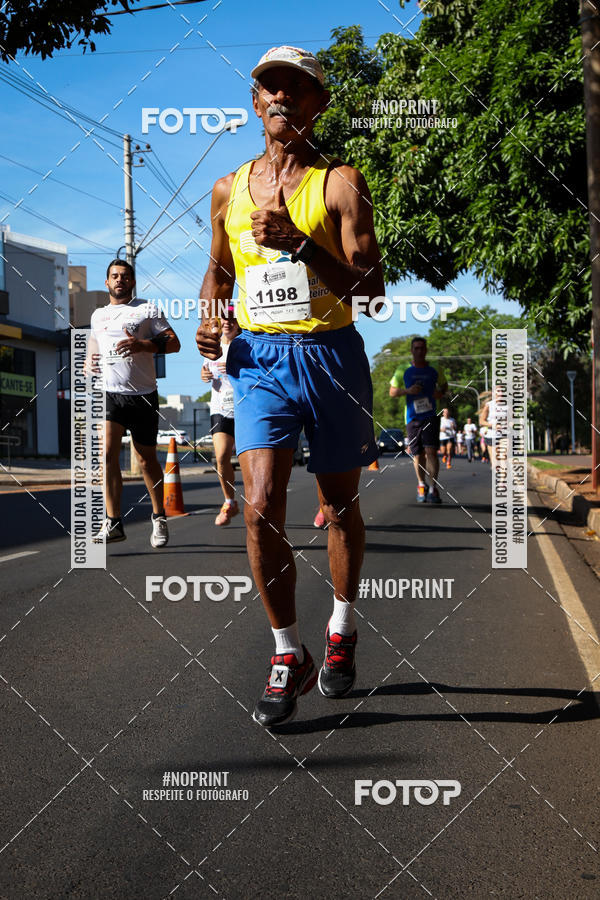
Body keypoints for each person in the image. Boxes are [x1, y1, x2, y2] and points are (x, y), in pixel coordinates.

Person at [195, 45, 384, 727]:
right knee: (260, 505)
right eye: (270, 87)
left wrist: (302, 243)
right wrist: (211, 322)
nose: (282, 97)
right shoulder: (226, 189)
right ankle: (286, 653)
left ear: (318, 103)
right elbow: (218, 273)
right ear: (254, 104)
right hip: (260, 361)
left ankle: (340, 629)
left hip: (330, 354)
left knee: (337, 505)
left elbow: (376, 291)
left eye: (297, 89)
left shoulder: (339, 183)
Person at [89, 259, 180, 546]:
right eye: (115, 276)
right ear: (106, 282)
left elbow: (174, 343)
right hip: (110, 394)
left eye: (125, 276)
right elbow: (95, 343)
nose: (120, 280)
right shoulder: (98, 315)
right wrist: (88, 360)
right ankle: (113, 522)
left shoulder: (147, 309)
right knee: (106, 455)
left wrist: (142, 345)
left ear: (133, 282)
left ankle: (159, 516)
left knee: (145, 460)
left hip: (142, 395)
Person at [389, 337, 447, 503]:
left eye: (422, 348)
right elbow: (392, 392)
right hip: (412, 417)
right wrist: (408, 391)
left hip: (430, 415)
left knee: (431, 452)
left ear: (426, 350)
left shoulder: (435, 368)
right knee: (418, 454)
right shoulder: (403, 369)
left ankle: (433, 488)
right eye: (416, 348)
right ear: (411, 351)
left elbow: (444, 386)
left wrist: (440, 393)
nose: (419, 351)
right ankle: (421, 485)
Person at [200, 304, 241, 526]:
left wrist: (238, 370)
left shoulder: (245, 346)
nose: (227, 322)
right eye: (223, 319)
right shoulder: (211, 346)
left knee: (248, 460)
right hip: (220, 409)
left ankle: (259, 505)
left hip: (245, 409)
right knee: (222, 457)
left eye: (232, 319)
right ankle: (229, 502)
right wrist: (204, 373)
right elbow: (205, 369)